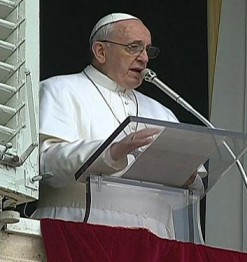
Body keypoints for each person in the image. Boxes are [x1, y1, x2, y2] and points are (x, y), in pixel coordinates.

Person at [32, 13, 203, 239]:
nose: (144, 58)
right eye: (134, 47)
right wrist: (111, 152)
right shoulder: (59, 90)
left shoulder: (162, 112)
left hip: (154, 241)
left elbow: (190, 193)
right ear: (101, 51)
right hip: (77, 232)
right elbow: (44, 164)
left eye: (147, 50)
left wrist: (188, 176)